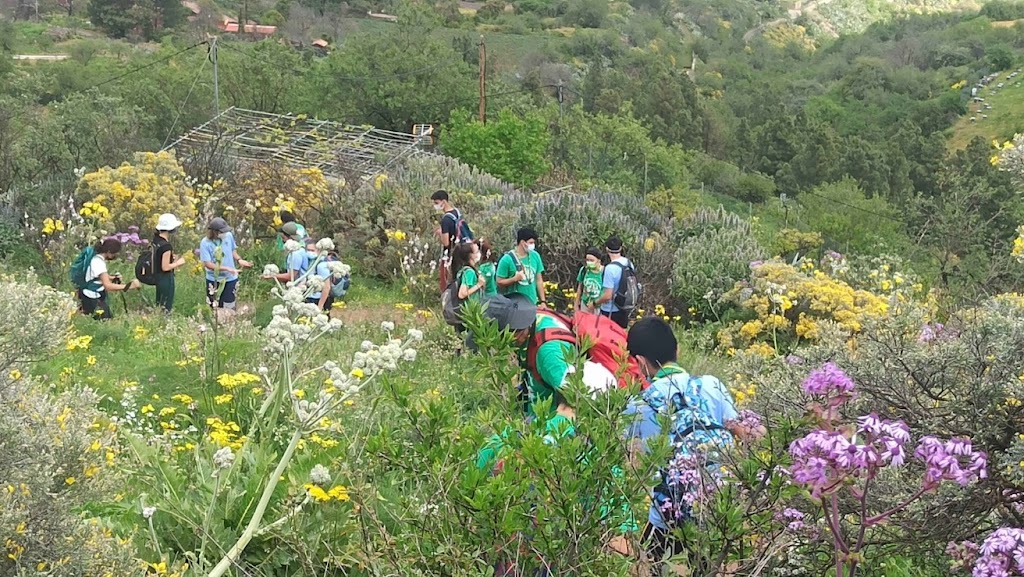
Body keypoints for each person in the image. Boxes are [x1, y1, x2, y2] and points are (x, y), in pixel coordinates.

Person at [623, 317, 740, 569]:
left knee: (654, 566)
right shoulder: (711, 384)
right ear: (678, 350)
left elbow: (618, 450)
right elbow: (743, 431)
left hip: (668, 515)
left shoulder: (639, 405)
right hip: (717, 507)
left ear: (640, 362)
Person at [78, 238, 142, 319]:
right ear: (108, 252)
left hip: (88, 294)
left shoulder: (94, 259)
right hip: (92, 297)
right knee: (103, 321)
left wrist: (113, 278)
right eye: (114, 254)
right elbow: (108, 286)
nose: (114, 256)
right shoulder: (99, 263)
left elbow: (96, 277)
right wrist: (129, 286)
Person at [199, 217, 253, 310]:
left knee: (229, 307)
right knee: (214, 307)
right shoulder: (205, 243)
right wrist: (227, 268)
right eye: (221, 232)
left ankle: (229, 323)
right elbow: (208, 264)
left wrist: (239, 260)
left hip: (230, 278)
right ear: (214, 232)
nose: (224, 233)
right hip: (214, 279)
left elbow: (232, 250)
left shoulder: (228, 236)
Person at [432, 190, 472, 292]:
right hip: (462, 249)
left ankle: (448, 299)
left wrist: (440, 233)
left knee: (446, 280)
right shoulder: (457, 212)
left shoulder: (446, 219)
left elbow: (446, 242)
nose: (435, 206)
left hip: (450, 253)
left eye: (436, 203)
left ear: (443, 202)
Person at [496, 228, 547, 307]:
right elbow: (499, 282)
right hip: (515, 305)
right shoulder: (507, 259)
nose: (533, 245)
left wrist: (543, 301)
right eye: (531, 242)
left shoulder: (535, 255)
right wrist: (514, 279)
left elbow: (539, 279)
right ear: (523, 243)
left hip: (532, 303)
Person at [593, 237, 634, 329]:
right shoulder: (628, 263)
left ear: (607, 249)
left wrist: (595, 303)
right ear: (621, 248)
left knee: (608, 337)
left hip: (610, 310)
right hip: (624, 307)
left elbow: (608, 295)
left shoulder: (610, 268)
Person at [152, 213, 186, 313]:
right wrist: (179, 263)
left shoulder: (156, 240)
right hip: (165, 278)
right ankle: (163, 323)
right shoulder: (166, 246)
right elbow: (165, 267)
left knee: (159, 303)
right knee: (166, 306)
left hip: (157, 277)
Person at [304, 239, 335, 311]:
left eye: (312, 250)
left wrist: (320, 306)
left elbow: (326, 287)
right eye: (308, 250)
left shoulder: (322, 265)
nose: (310, 253)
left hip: (318, 300)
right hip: (309, 297)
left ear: (318, 251)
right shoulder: (311, 263)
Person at [576, 247, 604, 313]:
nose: (589, 262)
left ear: (598, 260)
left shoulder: (604, 272)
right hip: (585, 304)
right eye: (587, 260)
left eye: (592, 260)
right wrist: (576, 303)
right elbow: (579, 288)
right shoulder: (584, 270)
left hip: (599, 306)